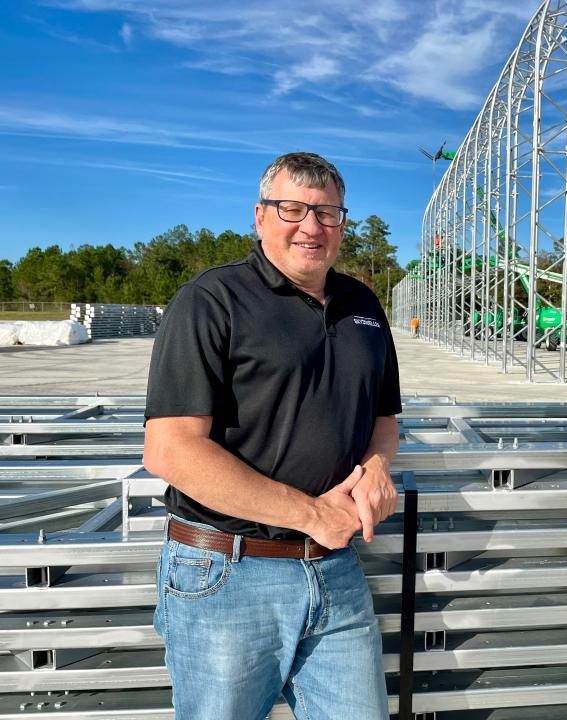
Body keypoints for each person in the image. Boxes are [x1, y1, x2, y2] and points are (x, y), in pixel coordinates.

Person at [143, 152, 400, 720]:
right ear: (260, 217)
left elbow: (384, 419)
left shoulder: (363, 304)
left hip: (335, 569)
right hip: (228, 573)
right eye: (293, 209)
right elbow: (170, 448)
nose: (311, 226)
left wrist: (378, 467)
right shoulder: (212, 300)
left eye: (327, 213)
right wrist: (310, 513)